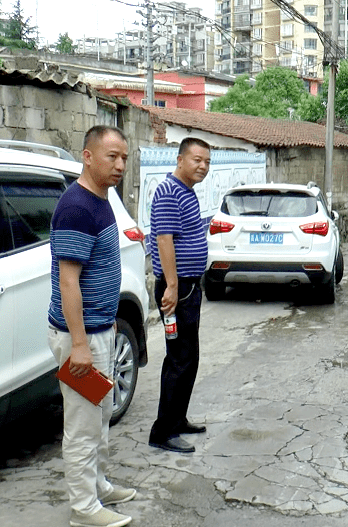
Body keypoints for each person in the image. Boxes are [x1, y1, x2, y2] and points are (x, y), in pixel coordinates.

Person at [48, 126, 135, 527]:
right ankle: (83, 510)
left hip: (101, 330)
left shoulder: (102, 200)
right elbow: (69, 282)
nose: (119, 165)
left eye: (123, 158)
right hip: (79, 338)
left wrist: (110, 323)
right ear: (87, 156)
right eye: (111, 156)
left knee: (100, 415)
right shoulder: (77, 206)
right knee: (82, 425)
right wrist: (80, 345)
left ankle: (98, 485)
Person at [148, 137, 211, 454]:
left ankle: (178, 418)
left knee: (190, 356)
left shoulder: (186, 191)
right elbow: (164, 240)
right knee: (178, 358)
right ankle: (164, 431)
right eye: (197, 159)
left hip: (187, 287)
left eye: (207, 162)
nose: (203, 166)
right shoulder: (169, 191)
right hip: (178, 290)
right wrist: (172, 286)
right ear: (180, 159)